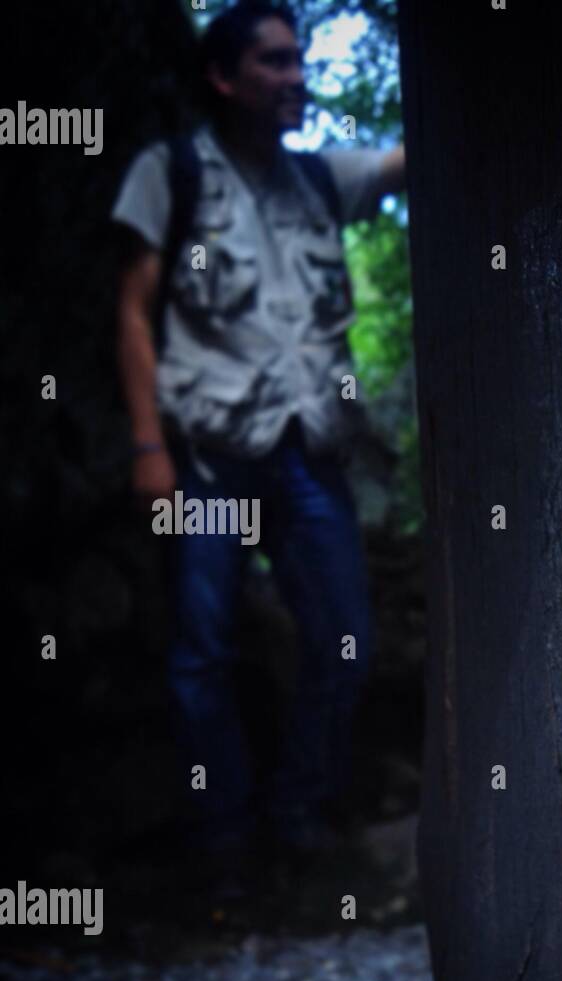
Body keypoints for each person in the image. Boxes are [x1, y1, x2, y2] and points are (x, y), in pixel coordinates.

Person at [112, 1, 406, 898]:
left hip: (306, 452)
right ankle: (224, 847)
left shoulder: (318, 180)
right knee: (202, 649)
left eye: (301, 60)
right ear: (224, 76)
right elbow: (131, 309)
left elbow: (411, 157)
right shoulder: (172, 177)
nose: (297, 79)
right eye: (276, 63)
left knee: (346, 638)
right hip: (208, 454)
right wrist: (145, 445)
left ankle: (300, 822)